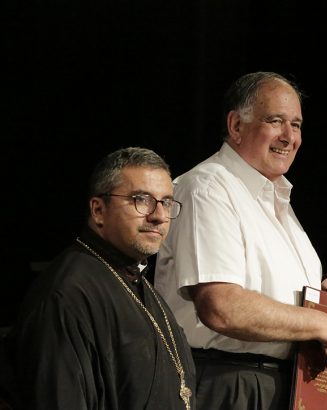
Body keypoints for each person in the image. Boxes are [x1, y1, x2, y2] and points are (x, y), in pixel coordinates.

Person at [154, 71, 327, 410]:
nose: (288, 136)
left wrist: (326, 295)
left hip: (284, 384)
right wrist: (320, 324)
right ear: (236, 126)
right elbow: (221, 306)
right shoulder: (208, 188)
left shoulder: (276, 201)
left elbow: (270, 288)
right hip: (227, 383)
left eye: (296, 125)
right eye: (275, 121)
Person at [9, 147, 195, 409]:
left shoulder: (137, 282)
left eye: (165, 202)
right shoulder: (67, 295)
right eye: (141, 199)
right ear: (98, 210)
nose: (159, 216)